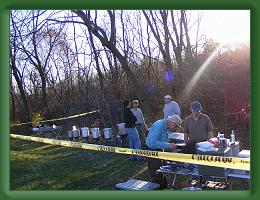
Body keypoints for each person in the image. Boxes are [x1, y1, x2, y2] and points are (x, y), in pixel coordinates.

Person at [146, 115, 182, 188]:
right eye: (176, 126)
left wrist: (170, 149)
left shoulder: (165, 127)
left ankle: (164, 187)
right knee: (156, 174)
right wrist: (168, 145)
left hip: (158, 151)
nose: (175, 128)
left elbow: (162, 141)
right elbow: (153, 142)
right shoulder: (159, 125)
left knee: (161, 172)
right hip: (152, 152)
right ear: (172, 122)